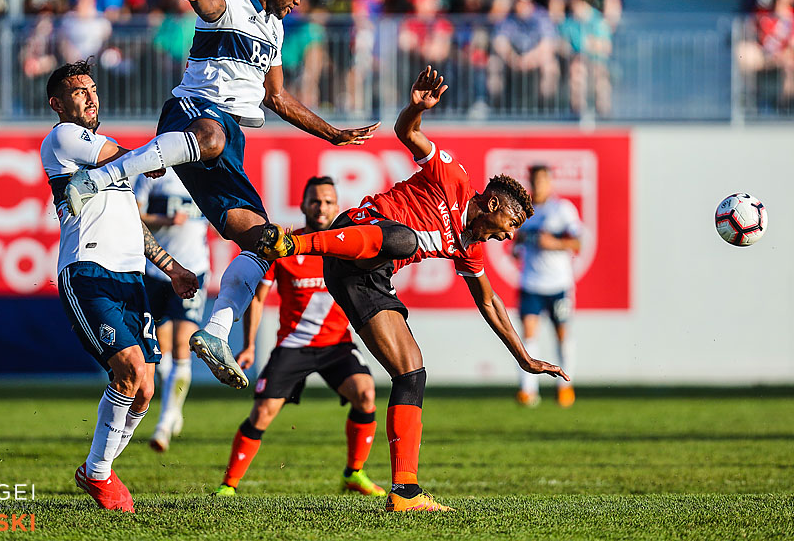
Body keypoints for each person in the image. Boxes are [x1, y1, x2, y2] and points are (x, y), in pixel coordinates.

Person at [63, 0, 379, 391]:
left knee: (266, 240)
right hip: (195, 114)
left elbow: (277, 97)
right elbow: (212, 6)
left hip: (229, 139)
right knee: (212, 139)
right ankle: (96, 178)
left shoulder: (275, 27)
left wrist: (331, 134)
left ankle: (215, 333)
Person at [256, 66, 569, 512]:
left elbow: (491, 303)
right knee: (405, 237)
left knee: (412, 372)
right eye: (509, 226)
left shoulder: (469, 248)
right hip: (355, 234)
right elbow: (408, 132)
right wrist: (415, 108)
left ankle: (404, 492)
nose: (507, 237)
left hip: (366, 277)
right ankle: (292, 243)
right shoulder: (453, 176)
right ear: (494, 205)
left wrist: (525, 358)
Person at [39, 60, 199, 512]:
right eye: (78, 92)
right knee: (129, 371)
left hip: (131, 279)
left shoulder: (115, 171)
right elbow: (125, 157)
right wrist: (168, 150)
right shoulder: (63, 137)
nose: (91, 97)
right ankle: (97, 473)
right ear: (58, 104)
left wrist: (171, 267)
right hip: (88, 271)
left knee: (145, 387)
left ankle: (98, 469)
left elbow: (133, 225)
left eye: (93, 89)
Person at [214, 176, 384, 498]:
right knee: (262, 414)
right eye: (315, 201)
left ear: (337, 206)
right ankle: (228, 485)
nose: (322, 208)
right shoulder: (285, 245)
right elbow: (259, 298)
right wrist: (249, 345)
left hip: (337, 344)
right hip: (293, 346)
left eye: (328, 202)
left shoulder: (346, 245)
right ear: (304, 205)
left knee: (366, 393)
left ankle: (354, 474)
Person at [132, 170, 209, 453]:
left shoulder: (204, 175)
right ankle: (173, 409)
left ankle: (165, 422)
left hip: (193, 269)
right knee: (160, 350)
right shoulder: (152, 174)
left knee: (182, 345)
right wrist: (165, 221)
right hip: (157, 270)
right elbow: (135, 217)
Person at [512, 165, 582, 408]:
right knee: (529, 333)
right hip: (531, 282)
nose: (537, 185)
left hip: (558, 284)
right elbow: (515, 248)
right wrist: (519, 244)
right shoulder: (523, 212)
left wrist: (552, 243)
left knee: (562, 333)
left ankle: (565, 387)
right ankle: (528, 390)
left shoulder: (561, 210)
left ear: (550, 182)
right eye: (534, 180)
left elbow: (577, 242)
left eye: (542, 180)